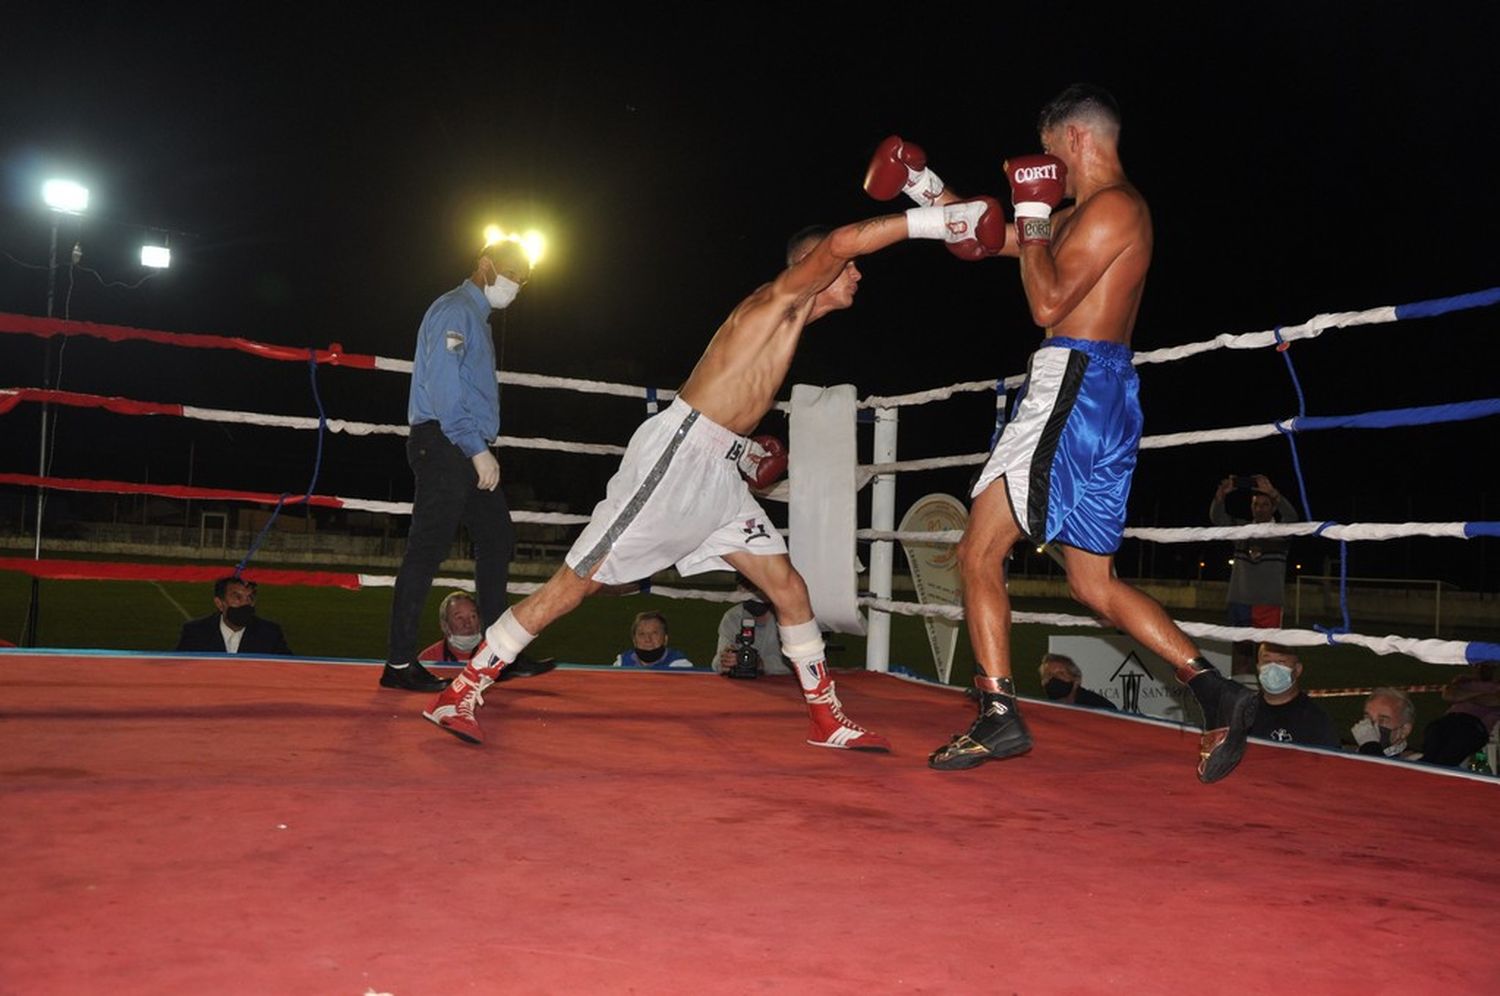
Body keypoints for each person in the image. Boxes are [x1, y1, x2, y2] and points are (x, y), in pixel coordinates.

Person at [425, 200, 1007, 749]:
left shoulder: (788, 324)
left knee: (788, 587)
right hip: (676, 460)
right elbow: (840, 241)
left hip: (719, 472)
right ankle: (461, 690)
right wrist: (939, 219)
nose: (856, 274)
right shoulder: (777, 300)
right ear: (813, 270)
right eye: (847, 268)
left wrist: (744, 450)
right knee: (575, 585)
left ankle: (825, 717)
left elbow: (733, 401)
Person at [870, 84, 1257, 779]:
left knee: (977, 550)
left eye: (1051, 153)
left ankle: (998, 715)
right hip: (1097, 395)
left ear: (1074, 139)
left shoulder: (1113, 208)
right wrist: (922, 186)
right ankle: (1218, 692)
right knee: (1091, 583)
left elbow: (1046, 298)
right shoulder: (1087, 213)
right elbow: (994, 240)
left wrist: (1033, 212)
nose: (1049, 168)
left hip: (1073, 385)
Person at [382, 240, 529, 693]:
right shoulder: (454, 310)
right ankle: (400, 663)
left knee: (496, 536)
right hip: (447, 443)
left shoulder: (476, 319)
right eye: (510, 274)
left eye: (522, 280)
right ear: (484, 266)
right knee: (427, 549)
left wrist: (477, 446)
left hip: (461, 445)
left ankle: (494, 654)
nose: (515, 286)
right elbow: (444, 389)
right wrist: (474, 447)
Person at [1211, 474, 1300, 678]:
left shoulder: (1282, 532)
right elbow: (1218, 518)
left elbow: (1293, 517)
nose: (1259, 508)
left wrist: (1274, 493)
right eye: (1256, 504)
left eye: (1265, 504)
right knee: (1240, 657)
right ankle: (1242, 702)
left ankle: (1266, 701)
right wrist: (1220, 497)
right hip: (1240, 602)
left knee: (1268, 657)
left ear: (1273, 508)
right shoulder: (1241, 530)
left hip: (1269, 605)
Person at [1247, 643, 1339, 748]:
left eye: (1281, 662)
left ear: (1298, 669)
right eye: (1267, 662)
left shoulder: (1316, 719)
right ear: (1258, 667)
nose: (1272, 668)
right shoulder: (1244, 712)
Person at [174, 575, 293, 655]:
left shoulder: (270, 634)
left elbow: (288, 669)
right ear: (219, 603)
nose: (245, 603)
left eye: (250, 598)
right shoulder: (195, 632)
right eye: (237, 598)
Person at [1420, 663, 1500, 767]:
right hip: (1449, 721)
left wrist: (1462, 695)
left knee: (1445, 760)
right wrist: (1481, 695)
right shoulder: (1463, 680)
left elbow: (1494, 700)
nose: (1482, 669)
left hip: (1474, 726)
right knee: (1431, 746)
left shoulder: (1497, 686)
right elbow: (1448, 695)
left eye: (1487, 666)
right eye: (1479, 665)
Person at [714, 591, 790, 677]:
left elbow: (797, 662)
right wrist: (726, 661)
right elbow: (718, 662)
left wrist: (762, 664)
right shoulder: (732, 617)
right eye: (746, 588)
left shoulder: (789, 618)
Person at [1351, 687, 1422, 760]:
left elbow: (1376, 770)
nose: (1371, 726)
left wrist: (1370, 746)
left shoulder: (1416, 763)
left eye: (1382, 720)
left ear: (1404, 730)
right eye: (1368, 718)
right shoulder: (1350, 754)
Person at [612, 611, 696, 669]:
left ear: (665, 639)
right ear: (634, 640)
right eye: (642, 634)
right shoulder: (621, 664)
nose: (648, 639)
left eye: (654, 633)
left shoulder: (679, 666)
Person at [1038, 653, 1116, 711]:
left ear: (1076, 680)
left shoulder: (1100, 708)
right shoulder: (1039, 710)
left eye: (1061, 673)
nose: (1053, 678)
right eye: (1048, 675)